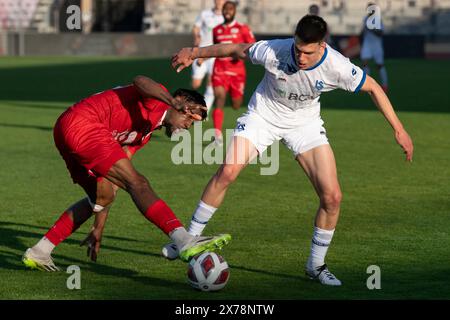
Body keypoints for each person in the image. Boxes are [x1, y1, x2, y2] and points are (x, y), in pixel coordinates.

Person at [167, 15, 414, 286]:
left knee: (332, 197)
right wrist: (193, 52)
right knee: (227, 172)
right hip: (263, 116)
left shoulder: (337, 65)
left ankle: (316, 265)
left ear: (321, 45)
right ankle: (186, 240)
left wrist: (399, 129)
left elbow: (373, 88)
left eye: (307, 52)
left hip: (304, 125)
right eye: (297, 49)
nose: (301, 57)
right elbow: (235, 49)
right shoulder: (276, 49)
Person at [22, 76, 231, 271]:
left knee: (101, 196)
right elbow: (139, 80)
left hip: (67, 130)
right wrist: (171, 101)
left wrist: (98, 226)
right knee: (138, 183)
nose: (188, 126)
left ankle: (40, 251)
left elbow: (113, 180)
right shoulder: (159, 100)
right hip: (83, 123)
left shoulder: (144, 135)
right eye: (190, 118)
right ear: (180, 101)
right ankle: (184, 239)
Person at [210, 0, 256, 145]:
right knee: (219, 97)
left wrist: (239, 54)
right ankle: (217, 135)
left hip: (237, 72)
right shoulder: (216, 30)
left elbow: (252, 46)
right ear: (222, 11)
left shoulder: (243, 29)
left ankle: (233, 95)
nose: (227, 11)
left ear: (235, 11)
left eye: (230, 9)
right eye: (225, 9)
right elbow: (215, 49)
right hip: (220, 69)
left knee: (236, 104)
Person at [191, 0, 226, 115]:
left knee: (211, 84)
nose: (219, 2)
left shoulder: (226, 18)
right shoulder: (205, 14)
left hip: (215, 55)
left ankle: (203, 112)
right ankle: (191, 105)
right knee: (195, 84)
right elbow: (196, 27)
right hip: (201, 51)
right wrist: (196, 37)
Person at [360, 2, 389, 93]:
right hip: (367, 44)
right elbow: (363, 32)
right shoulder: (365, 19)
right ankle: (366, 85)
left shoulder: (378, 20)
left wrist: (372, 29)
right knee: (364, 63)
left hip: (376, 46)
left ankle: (385, 85)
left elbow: (380, 33)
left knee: (379, 65)